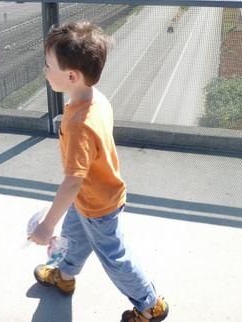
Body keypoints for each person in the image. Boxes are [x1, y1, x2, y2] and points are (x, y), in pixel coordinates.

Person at [30, 21, 169, 322]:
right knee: (73, 237)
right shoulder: (94, 97)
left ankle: (149, 304)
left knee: (114, 257)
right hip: (90, 197)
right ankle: (64, 275)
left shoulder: (79, 124)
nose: (44, 70)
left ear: (71, 75)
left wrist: (46, 226)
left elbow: (72, 182)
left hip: (97, 205)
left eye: (48, 65)